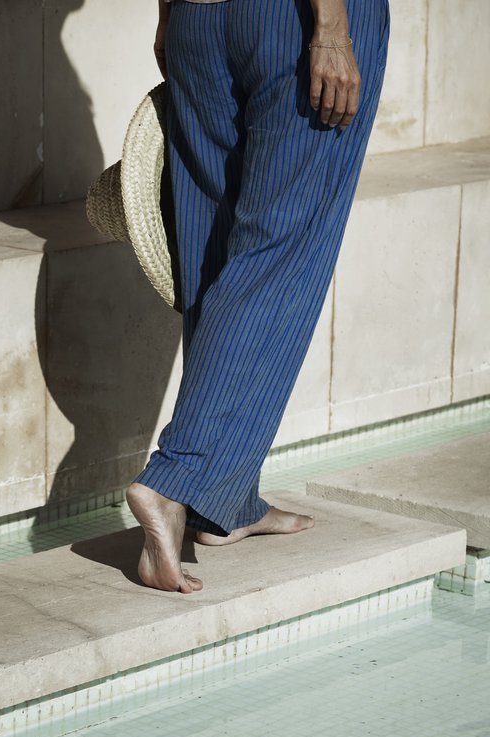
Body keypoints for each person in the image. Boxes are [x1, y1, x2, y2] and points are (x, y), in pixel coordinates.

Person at [126, 0, 390, 592]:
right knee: (281, 253)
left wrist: (168, 17)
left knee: (213, 253)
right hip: (296, 23)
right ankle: (176, 480)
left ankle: (224, 502)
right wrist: (331, 26)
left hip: (197, 22)